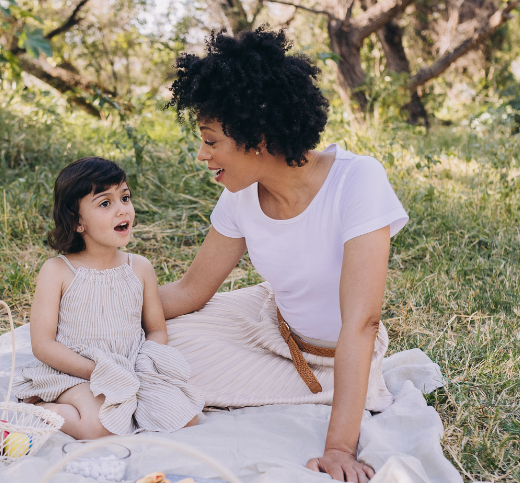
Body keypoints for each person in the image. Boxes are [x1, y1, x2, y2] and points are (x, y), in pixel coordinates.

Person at [159, 27, 409, 483]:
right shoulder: (239, 195)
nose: (201, 154)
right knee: (148, 344)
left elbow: (361, 323)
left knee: (163, 369)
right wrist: (101, 299)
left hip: (335, 359)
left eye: (211, 140)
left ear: (255, 136)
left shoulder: (358, 181)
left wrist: (338, 448)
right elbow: (191, 290)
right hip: (268, 323)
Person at [13, 157, 204, 439]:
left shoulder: (139, 268)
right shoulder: (58, 271)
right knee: (99, 425)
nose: (121, 210)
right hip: (75, 373)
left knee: (184, 416)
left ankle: (125, 401)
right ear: (78, 222)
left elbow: (155, 329)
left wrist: (142, 365)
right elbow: (43, 344)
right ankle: (43, 408)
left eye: (125, 198)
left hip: (129, 370)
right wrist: (96, 372)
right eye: (105, 203)